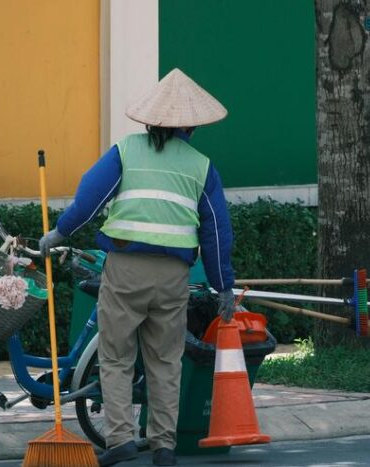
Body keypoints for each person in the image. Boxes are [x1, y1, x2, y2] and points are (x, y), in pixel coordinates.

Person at [39, 68, 236, 467]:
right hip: (173, 278)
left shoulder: (125, 151)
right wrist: (224, 287)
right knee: (165, 361)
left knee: (115, 356)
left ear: (149, 120)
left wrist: (55, 236)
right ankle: (163, 446)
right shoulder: (202, 167)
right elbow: (217, 232)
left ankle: (120, 439)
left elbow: (88, 202)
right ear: (192, 126)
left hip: (126, 270)